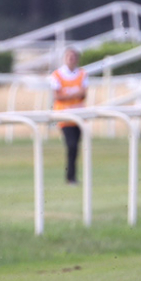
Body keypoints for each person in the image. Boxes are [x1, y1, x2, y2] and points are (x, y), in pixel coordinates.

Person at [49, 48, 88, 185]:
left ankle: (72, 176)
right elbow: (57, 95)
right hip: (64, 117)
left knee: (75, 147)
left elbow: (83, 94)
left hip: (79, 116)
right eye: (69, 57)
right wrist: (74, 94)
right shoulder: (57, 75)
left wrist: (67, 95)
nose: (71, 59)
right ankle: (70, 177)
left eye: (73, 57)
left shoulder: (82, 74)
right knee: (71, 145)